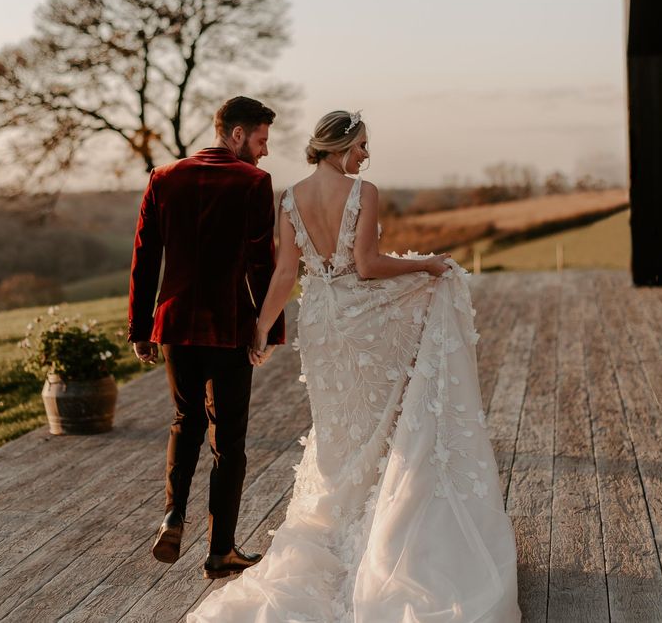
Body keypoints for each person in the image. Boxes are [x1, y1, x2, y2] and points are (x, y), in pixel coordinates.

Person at [188, 110, 521, 621]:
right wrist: (427, 265)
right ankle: (380, 537)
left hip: (319, 323)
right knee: (382, 427)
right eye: (362, 145)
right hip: (362, 324)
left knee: (338, 430)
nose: (366, 155)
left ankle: (345, 532)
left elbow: (283, 274)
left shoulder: (290, 197)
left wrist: (261, 327)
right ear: (339, 146)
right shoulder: (364, 193)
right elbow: (367, 267)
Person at [127, 96, 285, 580]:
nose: (264, 153)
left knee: (184, 420)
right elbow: (262, 265)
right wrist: (268, 329)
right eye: (260, 141)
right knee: (229, 440)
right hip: (228, 327)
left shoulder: (163, 178)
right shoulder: (253, 183)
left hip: (174, 325)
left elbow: (145, 257)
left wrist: (140, 327)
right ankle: (221, 551)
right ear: (236, 135)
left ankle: (174, 514)